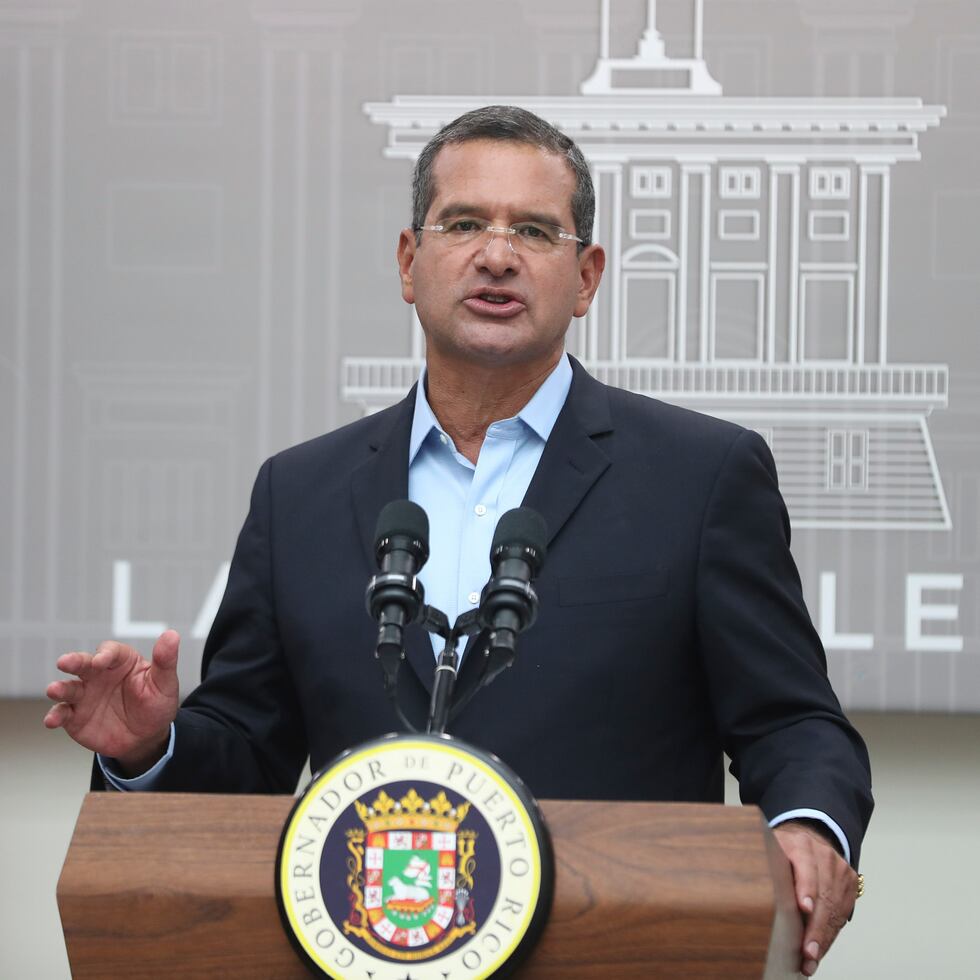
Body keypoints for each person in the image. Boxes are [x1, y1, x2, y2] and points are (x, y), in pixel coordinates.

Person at [45, 105, 871, 977]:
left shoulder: (700, 476)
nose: (498, 254)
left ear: (586, 277)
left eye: (536, 231)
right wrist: (150, 747)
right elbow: (249, 749)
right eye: (465, 223)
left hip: (619, 951)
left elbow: (793, 720)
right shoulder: (301, 492)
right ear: (411, 262)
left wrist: (807, 826)